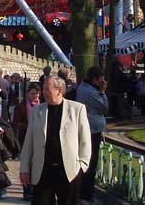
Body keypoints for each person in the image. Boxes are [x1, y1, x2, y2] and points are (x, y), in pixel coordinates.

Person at [19, 76, 92, 205]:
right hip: (43, 170)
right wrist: (24, 168)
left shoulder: (77, 109)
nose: (44, 93)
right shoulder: (37, 111)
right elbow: (28, 142)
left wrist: (82, 166)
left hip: (68, 170)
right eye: (43, 89)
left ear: (59, 90)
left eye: (47, 89)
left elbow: (85, 140)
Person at [76, 67, 109, 204]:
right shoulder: (90, 92)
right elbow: (104, 108)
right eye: (100, 80)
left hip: (90, 129)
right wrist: (103, 92)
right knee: (90, 163)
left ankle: (84, 192)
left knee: (88, 162)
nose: (102, 82)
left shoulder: (84, 88)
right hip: (92, 130)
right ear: (94, 79)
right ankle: (86, 194)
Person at [13, 83, 41, 201]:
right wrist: (27, 125)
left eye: (37, 94)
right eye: (33, 93)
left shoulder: (43, 106)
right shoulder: (21, 106)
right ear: (28, 94)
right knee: (27, 166)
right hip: (25, 138)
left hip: (39, 140)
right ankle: (27, 190)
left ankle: (36, 189)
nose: (35, 96)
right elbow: (16, 123)